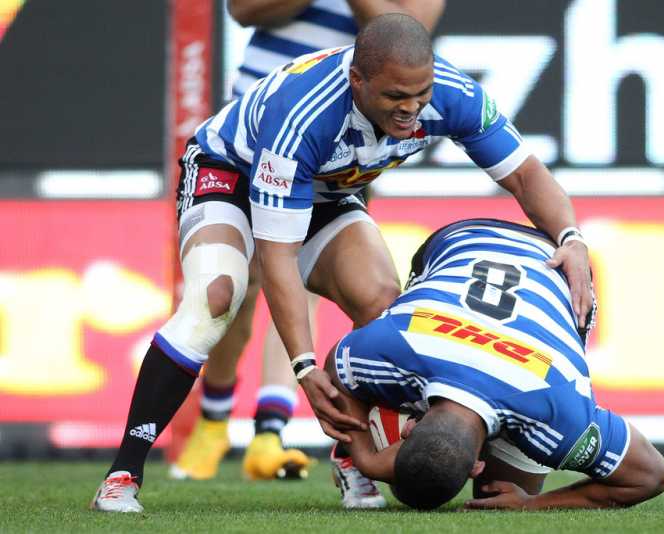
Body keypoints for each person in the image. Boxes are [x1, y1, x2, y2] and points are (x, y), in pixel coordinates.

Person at [91, 14, 593, 513]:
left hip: (325, 192)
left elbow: (526, 176)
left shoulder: (453, 94)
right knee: (215, 298)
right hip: (230, 175)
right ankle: (122, 474)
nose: (410, 109)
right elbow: (279, 257)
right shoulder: (305, 115)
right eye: (395, 97)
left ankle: (352, 455)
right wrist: (305, 366)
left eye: (420, 94)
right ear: (357, 80)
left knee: (384, 306)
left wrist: (571, 238)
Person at [169, 0, 445, 509]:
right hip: (262, 125)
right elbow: (244, 10)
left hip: (351, 132)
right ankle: (215, 416)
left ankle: (271, 429)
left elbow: (409, 29)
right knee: (239, 287)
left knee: (308, 276)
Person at [321, 218, 664, 510]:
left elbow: (650, 477)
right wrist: (363, 455)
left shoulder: (559, 416)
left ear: (409, 427)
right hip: (466, 246)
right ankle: (376, 441)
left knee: (449, 486)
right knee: (442, 478)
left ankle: (387, 428)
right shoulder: (392, 346)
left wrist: (532, 503)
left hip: (518, 253)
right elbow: (649, 476)